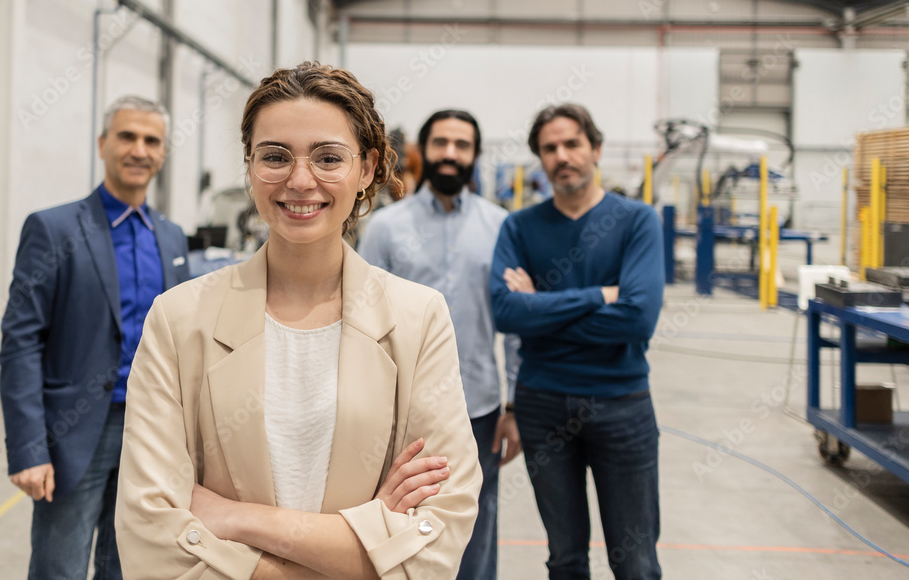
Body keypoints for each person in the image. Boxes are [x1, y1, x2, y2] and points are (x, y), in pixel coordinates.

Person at [115, 62, 481, 580]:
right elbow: (151, 535)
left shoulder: (418, 319)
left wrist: (237, 519)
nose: (301, 180)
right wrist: (364, 548)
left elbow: (437, 532)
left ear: (368, 168)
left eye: (329, 157)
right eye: (275, 157)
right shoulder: (178, 320)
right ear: (249, 165)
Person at [0, 95, 191, 579]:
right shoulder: (54, 229)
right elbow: (21, 341)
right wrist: (29, 449)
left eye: (152, 140)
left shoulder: (170, 238)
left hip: (150, 430)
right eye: (127, 136)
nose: (139, 149)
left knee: (127, 564)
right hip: (76, 430)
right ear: (103, 143)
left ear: (163, 154)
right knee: (58, 568)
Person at [489, 103, 665, 580]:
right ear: (540, 159)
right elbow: (505, 311)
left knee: (636, 561)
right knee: (564, 558)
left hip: (621, 404)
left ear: (596, 149)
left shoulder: (637, 221)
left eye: (572, 144)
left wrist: (540, 313)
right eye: (549, 148)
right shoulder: (519, 227)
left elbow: (636, 320)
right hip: (542, 404)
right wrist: (598, 296)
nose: (561, 156)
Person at [359, 109, 522, 579]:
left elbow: (512, 325)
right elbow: (363, 319)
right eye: (441, 143)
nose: (451, 153)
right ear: (424, 151)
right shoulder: (387, 227)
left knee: (476, 531)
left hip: (480, 410)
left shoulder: (500, 227)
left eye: (462, 145)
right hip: (399, 414)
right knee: (395, 535)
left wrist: (514, 404)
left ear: (474, 155)